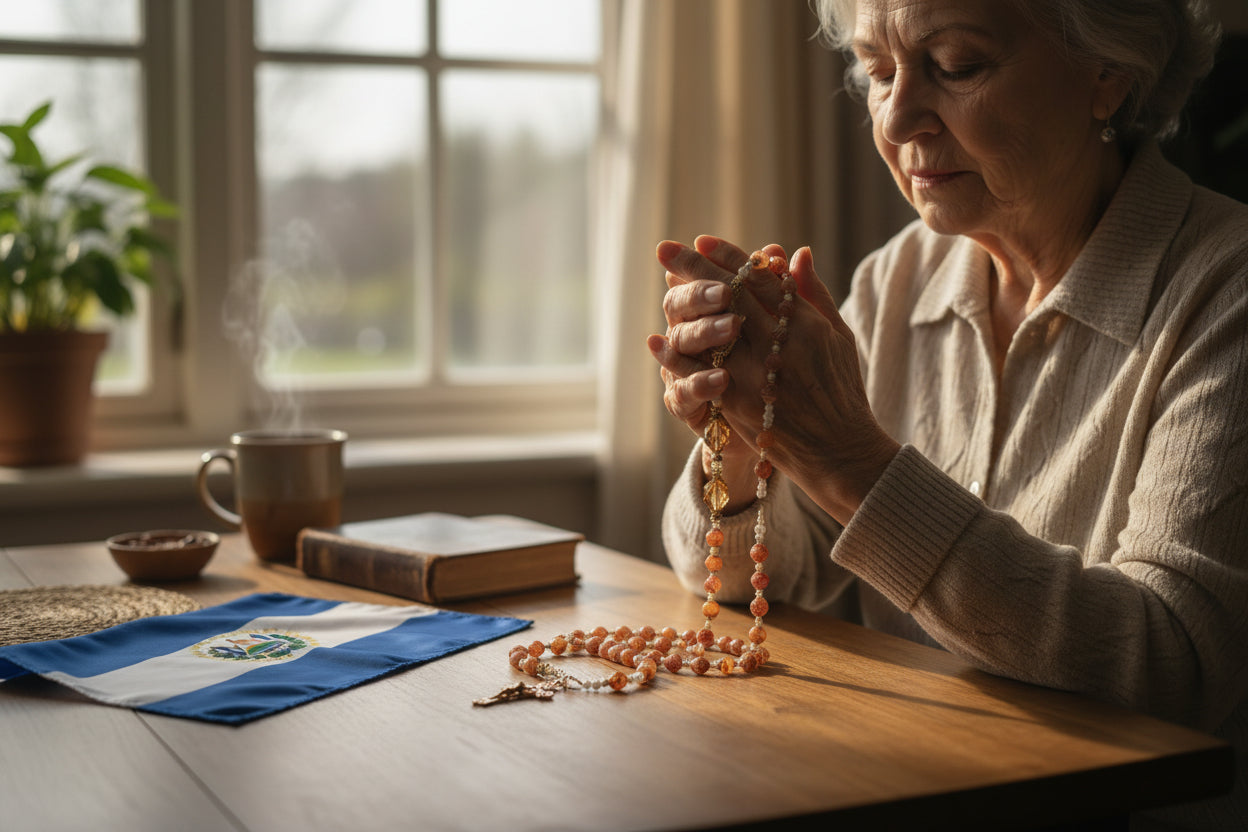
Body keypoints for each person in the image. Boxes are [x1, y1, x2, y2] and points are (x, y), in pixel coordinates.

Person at [647, 0, 1247, 828]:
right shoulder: (898, 278)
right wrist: (747, 437)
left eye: (957, 66)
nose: (896, 118)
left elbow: (1171, 668)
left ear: (1108, 74)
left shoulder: (1226, 290)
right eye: (878, 71)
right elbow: (766, 578)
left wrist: (848, 463)